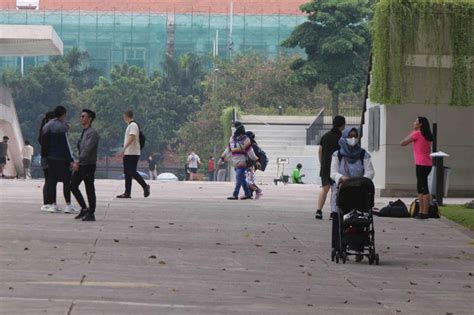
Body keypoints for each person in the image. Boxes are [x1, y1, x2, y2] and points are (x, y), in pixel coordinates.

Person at [330, 127, 374, 262]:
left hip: (359, 192)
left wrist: (362, 180)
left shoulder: (363, 154)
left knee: (360, 220)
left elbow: (370, 171)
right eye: (350, 136)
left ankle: (360, 248)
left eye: (355, 136)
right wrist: (342, 178)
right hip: (342, 192)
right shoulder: (337, 155)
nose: (353, 139)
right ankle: (339, 247)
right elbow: (333, 172)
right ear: (344, 138)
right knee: (339, 218)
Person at [41, 106, 79, 214]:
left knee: (52, 182)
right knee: (67, 182)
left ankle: (53, 204)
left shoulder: (47, 126)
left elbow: (44, 143)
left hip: (50, 158)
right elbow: (65, 145)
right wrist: (71, 159)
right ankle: (68, 204)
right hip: (62, 159)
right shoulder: (62, 127)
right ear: (63, 114)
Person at [400, 117, 433, 220]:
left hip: (421, 164)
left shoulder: (417, 134)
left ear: (420, 124)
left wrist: (412, 132)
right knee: (424, 186)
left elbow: (402, 143)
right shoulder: (427, 135)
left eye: (416, 121)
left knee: (421, 187)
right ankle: (423, 212)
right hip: (427, 164)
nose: (414, 123)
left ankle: (423, 212)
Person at [70, 109, 100, 222]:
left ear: (89, 119)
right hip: (82, 163)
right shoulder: (84, 132)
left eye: (83, 116)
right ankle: (84, 208)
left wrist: (78, 161)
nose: (81, 118)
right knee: (72, 185)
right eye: (81, 116)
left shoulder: (92, 133)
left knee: (89, 188)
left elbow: (87, 150)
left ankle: (91, 213)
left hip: (88, 165)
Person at [315, 115, 346, 220]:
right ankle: (333, 212)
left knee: (324, 189)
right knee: (335, 190)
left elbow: (320, 151)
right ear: (342, 125)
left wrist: (322, 163)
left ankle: (319, 211)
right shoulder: (342, 138)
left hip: (325, 166)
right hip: (336, 167)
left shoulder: (325, 136)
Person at [220, 121, 259, 200]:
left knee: (238, 178)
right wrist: (222, 158)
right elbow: (228, 150)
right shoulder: (232, 138)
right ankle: (248, 194)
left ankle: (235, 194)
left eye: (234, 127)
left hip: (242, 162)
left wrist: (256, 160)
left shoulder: (245, 138)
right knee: (241, 179)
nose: (234, 129)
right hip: (235, 162)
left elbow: (250, 151)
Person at [116, 110, 150, 199]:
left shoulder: (133, 125)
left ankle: (145, 186)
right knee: (127, 173)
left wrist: (124, 148)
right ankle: (127, 192)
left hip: (133, 153)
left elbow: (132, 137)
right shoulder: (129, 126)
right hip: (128, 153)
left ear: (126, 116)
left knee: (131, 171)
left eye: (124, 116)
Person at [245, 131, 263, 199]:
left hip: (252, 164)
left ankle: (257, 191)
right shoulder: (254, 144)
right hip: (252, 164)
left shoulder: (252, 145)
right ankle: (250, 193)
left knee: (249, 181)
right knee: (249, 180)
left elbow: (253, 156)